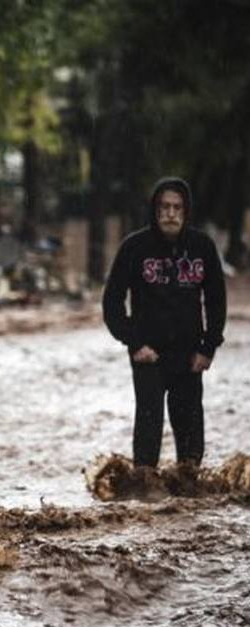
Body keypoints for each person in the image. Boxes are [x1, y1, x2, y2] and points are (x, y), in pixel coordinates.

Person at [103, 177, 226, 469]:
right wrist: (134, 342)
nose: (171, 213)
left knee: (190, 436)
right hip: (148, 355)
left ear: (186, 211)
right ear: (155, 211)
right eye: (164, 207)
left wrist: (208, 349)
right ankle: (145, 500)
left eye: (177, 207)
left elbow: (217, 302)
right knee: (148, 429)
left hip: (189, 355)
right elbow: (111, 304)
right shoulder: (134, 248)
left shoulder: (202, 247)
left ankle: (189, 503)